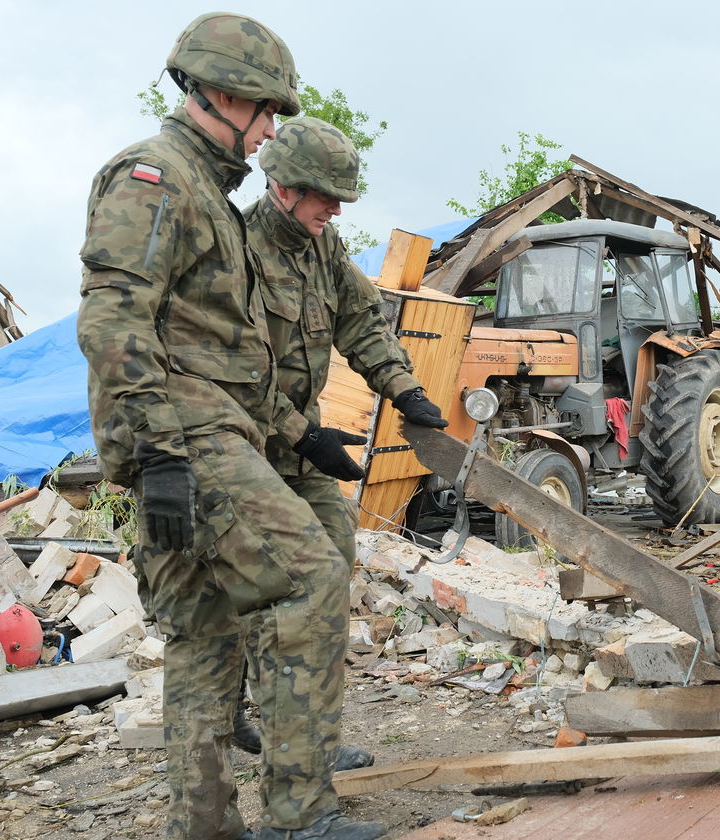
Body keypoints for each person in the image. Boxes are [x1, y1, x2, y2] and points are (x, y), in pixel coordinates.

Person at [77, 13, 386, 840]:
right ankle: (298, 814)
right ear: (220, 93)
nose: (271, 132)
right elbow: (114, 323)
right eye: (266, 111)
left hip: (208, 435)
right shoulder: (158, 179)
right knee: (310, 575)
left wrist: (294, 436)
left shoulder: (205, 189)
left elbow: (230, 353)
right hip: (188, 437)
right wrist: (162, 455)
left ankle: (207, 827)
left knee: (204, 632)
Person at [230, 116, 448, 758]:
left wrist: (403, 388)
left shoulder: (324, 247)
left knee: (332, 565)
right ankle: (241, 714)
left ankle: (308, 739)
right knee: (263, 591)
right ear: (281, 187)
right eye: (323, 194)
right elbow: (232, 371)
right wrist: (304, 433)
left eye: (341, 197)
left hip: (302, 450)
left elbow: (362, 322)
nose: (335, 207)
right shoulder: (234, 252)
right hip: (242, 452)